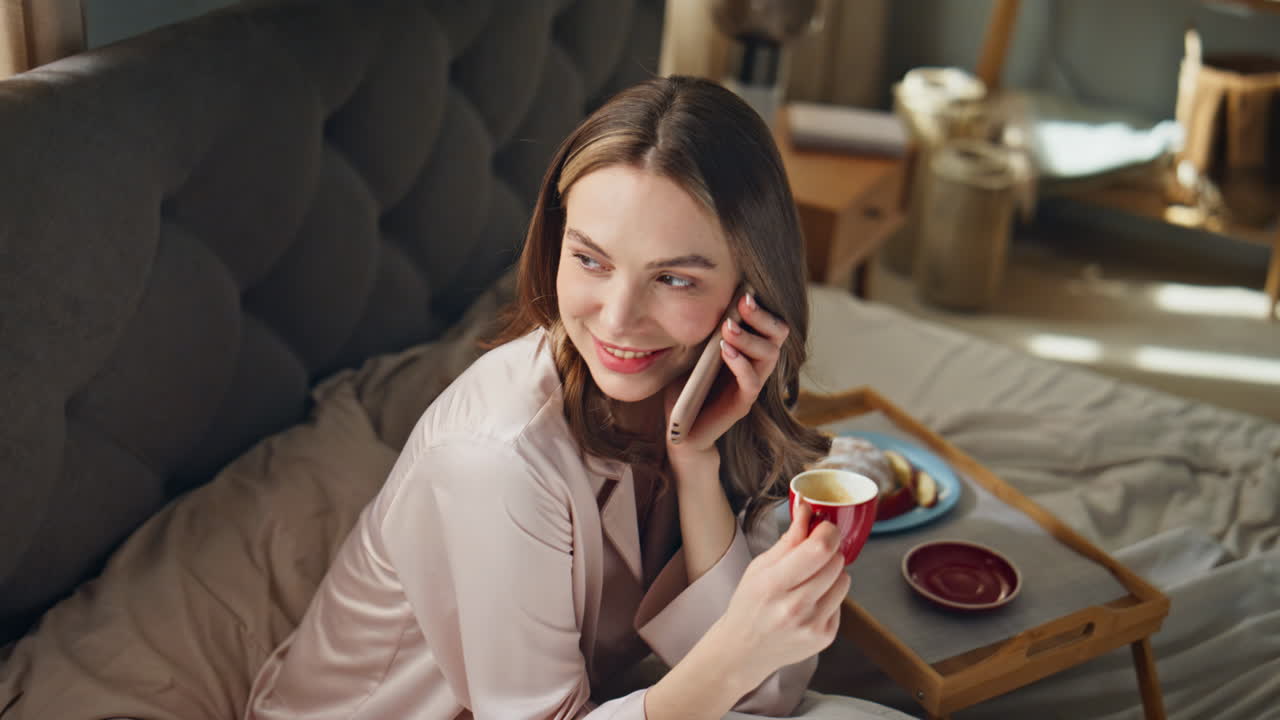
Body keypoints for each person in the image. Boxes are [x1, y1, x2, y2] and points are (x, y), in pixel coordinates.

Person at [244, 75, 913, 719]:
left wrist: (697, 470)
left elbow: (764, 695)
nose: (618, 320)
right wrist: (736, 654)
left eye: (674, 279)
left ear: (751, 290)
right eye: (590, 259)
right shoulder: (497, 462)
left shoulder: (700, 400)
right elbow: (738, 671)